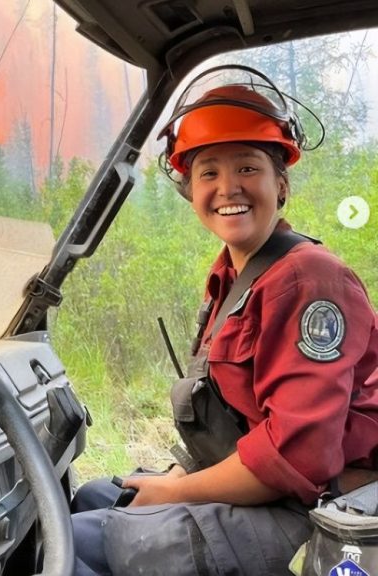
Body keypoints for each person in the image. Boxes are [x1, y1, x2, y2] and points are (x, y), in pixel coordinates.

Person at [71, 65, 378, 575]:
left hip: (318, 506)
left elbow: (297, 459)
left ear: (281, 186)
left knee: (75, 542)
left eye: (248, 168)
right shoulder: (234, 280)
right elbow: (238, 420)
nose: (227, 186)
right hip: (268, 487)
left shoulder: (306, 280)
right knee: (94, 496)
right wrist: (179, 473)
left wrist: (176, 491)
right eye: (208, 171)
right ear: (190, 189)